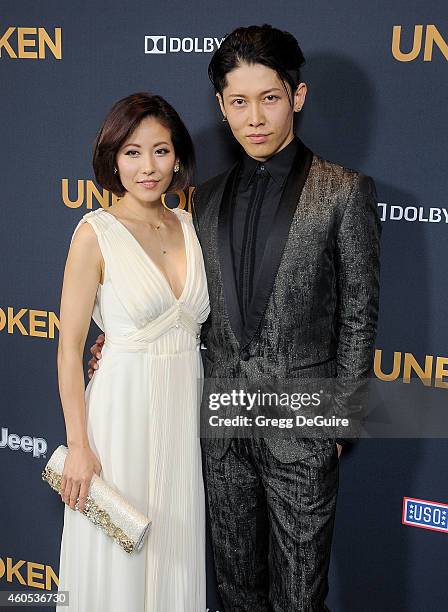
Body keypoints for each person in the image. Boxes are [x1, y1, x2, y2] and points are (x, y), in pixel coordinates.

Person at [90, 24, 381, 612]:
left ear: (296, 97)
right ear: (221, 107)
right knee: (235, 590)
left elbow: (359, 313)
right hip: (219, 427)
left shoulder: (342, 191)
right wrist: (112, 341)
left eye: (269, 99)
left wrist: (338, 422)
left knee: (301, 596)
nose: (255, 118)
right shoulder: (205, 198)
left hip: (302, 427)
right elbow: (179, 298)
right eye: (239, 102)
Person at [57, 92, 208, 611]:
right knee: (117, 564)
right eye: (133, 152)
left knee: (175, 554)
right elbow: (69, 349)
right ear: (112, 158)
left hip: (185, 418)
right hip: (119, 420)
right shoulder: (94, 235)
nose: (149, 167)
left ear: (178, 156)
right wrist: (78, 445)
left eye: (161, 151)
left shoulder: (190, 226)